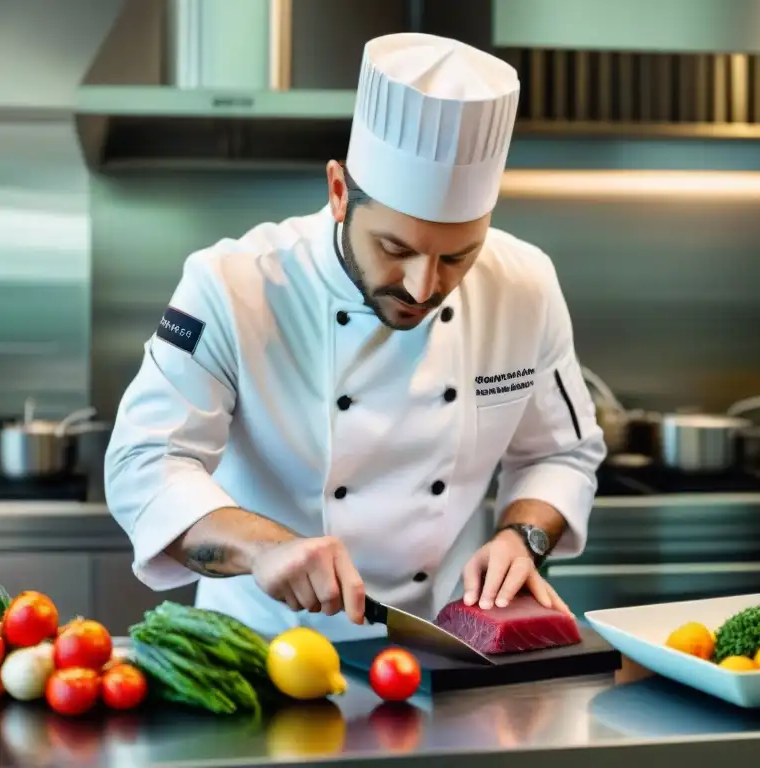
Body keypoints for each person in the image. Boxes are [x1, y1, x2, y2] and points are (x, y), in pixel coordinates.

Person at [104, 32, 606, 642]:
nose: (423, 286)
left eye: (457, 257)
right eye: (395, 248)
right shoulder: (233, 284)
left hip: (443, 652)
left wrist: (521, 536)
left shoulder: (524, 284)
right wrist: (265, 549)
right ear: (340, 191)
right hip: (263, 653)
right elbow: (146, 463)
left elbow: (562, 452)